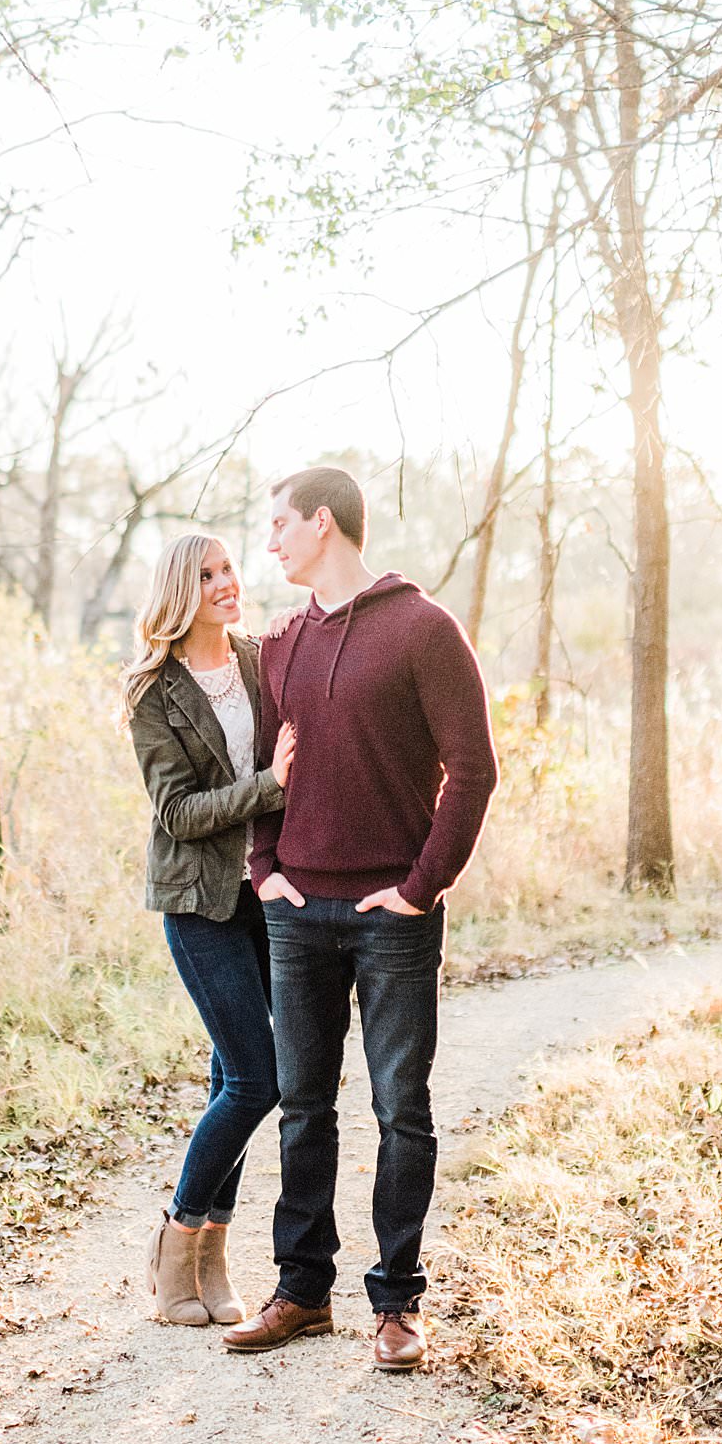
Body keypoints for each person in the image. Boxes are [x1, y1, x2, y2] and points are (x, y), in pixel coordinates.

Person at [226, 465, 498, 1372]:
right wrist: (264, 869)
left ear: (326, 523)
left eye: (279, 526)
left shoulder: (423, 630)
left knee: (399, 1109)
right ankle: (301, 1291)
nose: (269, 544)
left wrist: (422, 883)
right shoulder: (280, 643)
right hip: (298, 913)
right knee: (303, 1107)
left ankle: (396, 1304)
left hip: (394, 913)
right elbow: (273, 769)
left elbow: (474, 770)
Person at [125, 531, 296, 1329]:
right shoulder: (155, 693)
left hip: (267, 894)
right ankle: (177, 1233)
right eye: (208, 574)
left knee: (228, 1077)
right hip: (198, 903)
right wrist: (268, 786)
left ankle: (212, 1258)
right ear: (179, 589)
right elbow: (179, 813)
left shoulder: (265, 661)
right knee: (256, 1080)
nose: (229, 582)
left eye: (229, 568)